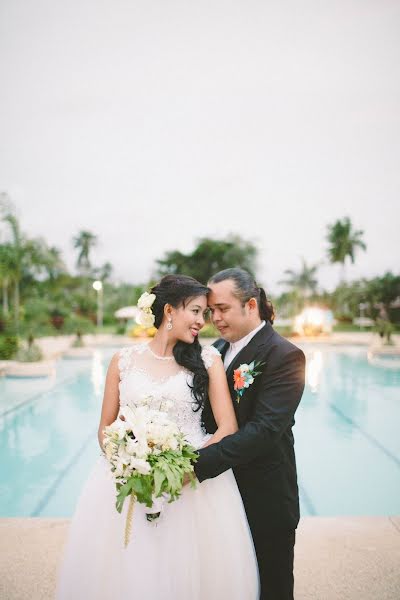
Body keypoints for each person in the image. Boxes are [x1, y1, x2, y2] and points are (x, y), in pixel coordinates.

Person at [56, 274, 259, 600]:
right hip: (128, 481)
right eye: (195, 311)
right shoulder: (122, 360)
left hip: (191, 486)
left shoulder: (209, 361)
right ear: (169, 311)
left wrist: (183, 469)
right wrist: (127, 461)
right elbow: (106, 427)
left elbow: (227, 428)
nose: (201, 322)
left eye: (205, 313)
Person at [194, 268, 306, 600]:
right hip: (219, 497)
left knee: (271, 588)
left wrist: (195, 464)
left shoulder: (285, 356)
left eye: (223, 309)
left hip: (264, 498)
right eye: (211, 310)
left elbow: (263, 431)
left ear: (251, 305)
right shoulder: (214, 349)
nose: (215, 318)